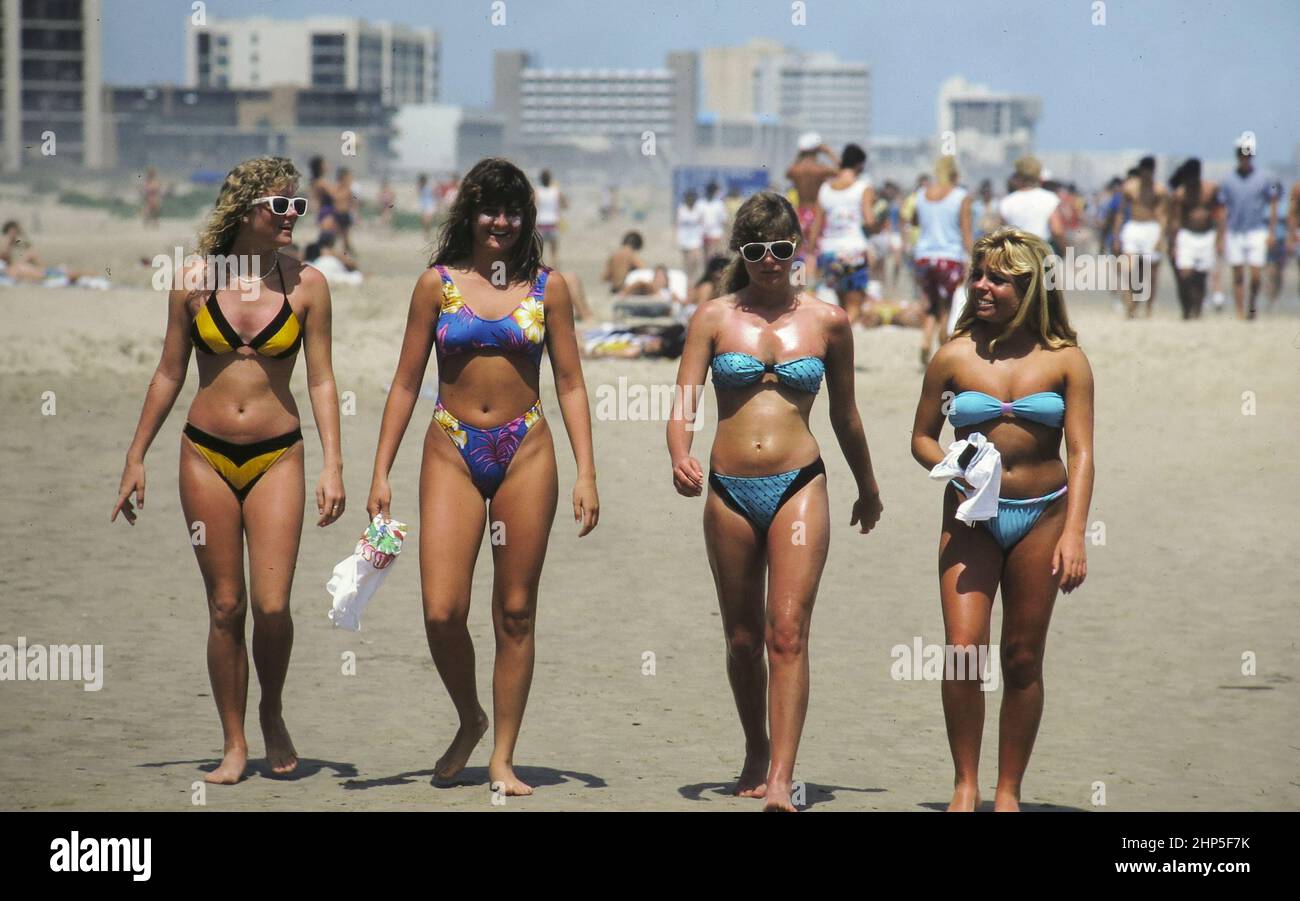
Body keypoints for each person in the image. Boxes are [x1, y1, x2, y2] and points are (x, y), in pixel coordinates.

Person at [366, 158, 599, 797]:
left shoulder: (548, 289)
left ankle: (502, 755)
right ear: (468, 214)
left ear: (527, 220)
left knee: (516, 611)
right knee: (443, 610)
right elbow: (407, 381)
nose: (500, 221)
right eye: (489, 209)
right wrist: (380, 469)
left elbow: (572, 382)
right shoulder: (435, 285)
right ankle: (469, 714)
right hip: (451, 445)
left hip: (527, 448)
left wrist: (587, 473)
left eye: (512, 211)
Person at [111, 156, 346, 784]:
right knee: (224, 606)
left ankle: (271, 710)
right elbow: (168, 373)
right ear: (246, 211)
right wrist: (135, 457)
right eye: (281, 206)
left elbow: (322, 380)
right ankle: (235, 742)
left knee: (272, 606)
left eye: (298, 205)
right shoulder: (193, 282)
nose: (293, 216)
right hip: (205, 455)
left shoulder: (309, 285)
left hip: (278, 456)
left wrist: (334, 467)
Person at [667, 191, 883, 812]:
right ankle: (755, 749)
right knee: (742, 639)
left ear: (798, 250)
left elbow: (845, 414)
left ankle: (782, 779)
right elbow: (685, 400)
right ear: (740, 250)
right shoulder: (712, 318)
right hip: (727, 489)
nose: (768, 260)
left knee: (786, 632)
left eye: (781, 249)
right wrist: (679, 450)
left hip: (799, 484)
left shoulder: (828, 321)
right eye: (756, 249)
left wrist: (868, 487)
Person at [910, 227, 1094, 812]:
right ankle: (965, 785)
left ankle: (1007, 791)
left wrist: (1075, 533)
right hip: (971, 516)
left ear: (1030, 287)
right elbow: (920, 437)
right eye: (980, 274)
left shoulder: (1067, 361)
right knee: (964, 649)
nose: (983, 286)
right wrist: (952, 466)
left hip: (1043, 516)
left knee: (1021, 657)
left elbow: (1082, 452)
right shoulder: (953, 355)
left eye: (1000, 279)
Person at [912, 155, 973, 365]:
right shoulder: (960, 196)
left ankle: (925, 340)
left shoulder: (921, 194)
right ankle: (941, 344)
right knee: (946, 306)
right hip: (949, 257)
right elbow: (965, 231)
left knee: (931, 304)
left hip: (924, 257)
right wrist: (974, 256)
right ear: (955, 174)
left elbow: (914, 220)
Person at [808, 143, 876, 324]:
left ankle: (839, 342)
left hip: (829, 252)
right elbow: (869, 221)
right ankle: (843, 341)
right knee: (855, 305)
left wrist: (810, 253)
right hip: (853, 251)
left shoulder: (825, 189)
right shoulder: (863, 187)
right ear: (860, 165)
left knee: (840, 306)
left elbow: (816, 225)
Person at [1114, 156, 1167, 318]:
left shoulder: (1159, 190)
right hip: (1134, 227)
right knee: (1129, 269)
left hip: (1151, 228)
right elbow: (1121, 212)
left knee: (1150, 272)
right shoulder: (1130, 188)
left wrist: (1160, 237)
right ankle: (1130, 304)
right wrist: (1117, 235)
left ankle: (1149, 308)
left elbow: (1163, 215)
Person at [1167, 158, 1219, 319]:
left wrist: (1220, 238)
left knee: (1201, 276)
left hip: (1206, 235)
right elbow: (1175, 220)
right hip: (1187, 234)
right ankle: (1187, 307)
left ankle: (1197, 310)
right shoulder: (1180, 194)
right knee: (1185, 274)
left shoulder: (1210, 190)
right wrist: (1173, 244)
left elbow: (1219, 213)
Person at [785, 133, 840, 250]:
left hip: (800, 213)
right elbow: (842, 172)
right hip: (817, 214)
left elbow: (788, 172)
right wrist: (829, 152)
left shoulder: (795, 170)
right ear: (817, 150)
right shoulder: (820, 169)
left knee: (800, 251)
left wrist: (799, 154)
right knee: (817, 251)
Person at [998, 157, 1063, 248]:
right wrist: (1065, 251)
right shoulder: (1050, 198)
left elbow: (1001, 232)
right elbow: (1057, 230)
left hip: (1017, 252)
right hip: (1041, 249)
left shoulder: (1006, 201)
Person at [535, 169, 565, 266]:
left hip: (540, 225)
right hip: (553, 224)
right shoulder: (556, 191)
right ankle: (554, 275)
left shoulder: (537, 191)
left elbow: (534, 206)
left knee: (539, 254)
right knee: (554, 254)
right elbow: (565, 204)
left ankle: (540, 277)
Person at [677, 189, 706, 285]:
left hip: (695, 240)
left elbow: (702, 223)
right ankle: (688, 281)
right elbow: (679, 224)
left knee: (695, 260)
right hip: (684, 241)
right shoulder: (682, 209)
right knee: (687, 264)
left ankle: (692, 280)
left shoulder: (699, 209)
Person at [701, 181, 729, 260]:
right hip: (704, 234)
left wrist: (725, 235)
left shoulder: (719, 204)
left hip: (715, 234)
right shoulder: (701, 203)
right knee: (705, 257)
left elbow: (724, 220)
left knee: (712, 255)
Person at [418, 173, 437, 241]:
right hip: (423, 205)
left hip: (430, 205)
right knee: (423, 221)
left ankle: (427, 234)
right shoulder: (420, 187)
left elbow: (434, 195)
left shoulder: (429, 187)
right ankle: (426, 234)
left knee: (427, 221)